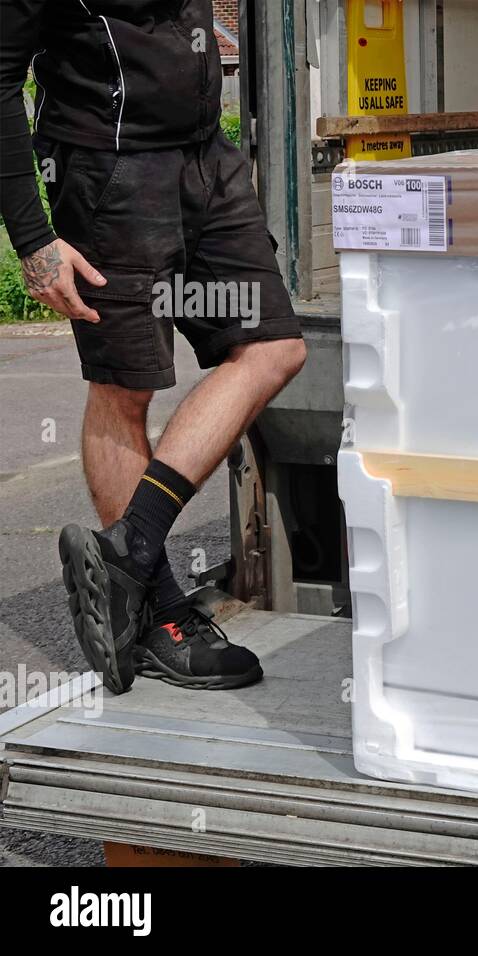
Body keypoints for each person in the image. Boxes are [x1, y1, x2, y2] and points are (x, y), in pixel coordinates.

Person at [1, 1, 307, 694]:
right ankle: (160, 618)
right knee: (125, 386)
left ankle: (126, 551)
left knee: (274, 348)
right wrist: (32, 240)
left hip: (206, 160)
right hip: (106, 173)